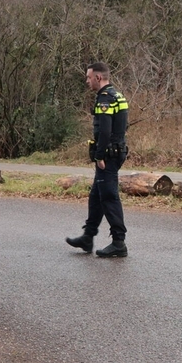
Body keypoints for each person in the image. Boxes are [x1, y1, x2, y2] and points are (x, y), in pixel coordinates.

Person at [66, 62, 129, 258]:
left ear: (98, 77)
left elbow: (105, 130)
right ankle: (88, 236)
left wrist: (100, 155)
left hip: (108, 155)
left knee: (109, 196)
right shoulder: (117, 95)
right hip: (116, 150)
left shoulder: (105, 98)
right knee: (96, 196)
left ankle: (118, 242)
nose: (87, 81)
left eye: (88, 77)